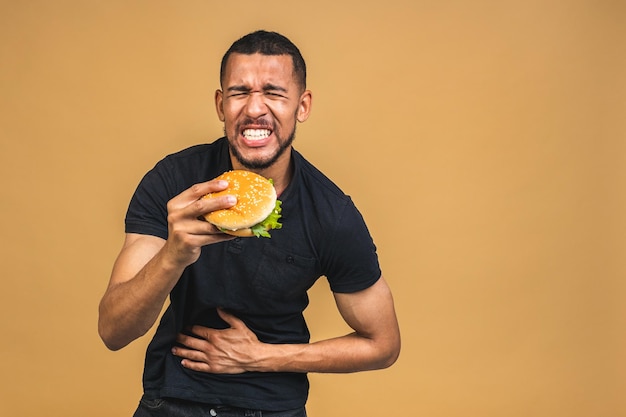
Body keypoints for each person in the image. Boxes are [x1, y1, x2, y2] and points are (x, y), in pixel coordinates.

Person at [98, 30, 401, 417]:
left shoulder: (331, 214)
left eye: (274, 93)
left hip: (272, 405)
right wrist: (173, 255)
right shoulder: (174, 181)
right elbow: (113, 331)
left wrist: (261, 358)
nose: (255, 109)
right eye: (240, 92)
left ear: (302, 106)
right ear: (221, 104)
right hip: (171, 398)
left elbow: (383, 344)